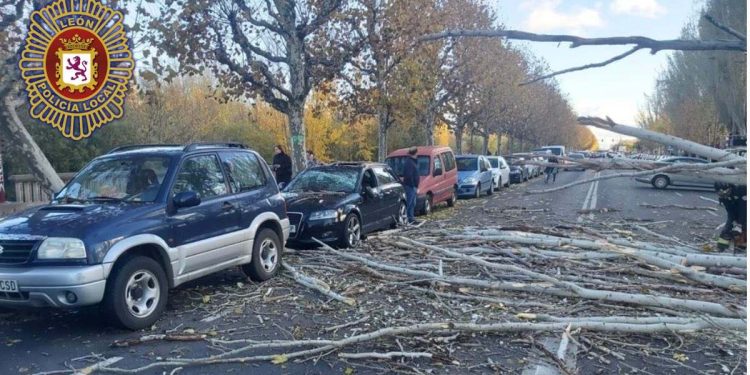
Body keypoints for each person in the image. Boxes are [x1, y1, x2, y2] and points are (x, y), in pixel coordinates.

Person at [715, 182, 747, 252]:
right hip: (737, 210)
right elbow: (730, 211)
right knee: (727, 230)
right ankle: (720, 250)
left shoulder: (742, 191)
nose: (723, 195)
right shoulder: (724, 197)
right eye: (720, 193)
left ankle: (740, 251)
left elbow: (744, 210)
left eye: (725, 193)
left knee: (743, 232)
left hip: (745, 209)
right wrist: (732, 222)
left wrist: (740, 224)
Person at [401, 146, 421, 224]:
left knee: (413, 202)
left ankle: (411, 218)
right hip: (410, 186)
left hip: (413, 186)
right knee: (410, 202)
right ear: (415, 153)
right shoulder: (409, 162)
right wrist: (413, 185)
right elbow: (409, 176)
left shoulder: (412, 161)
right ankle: (409, 218)